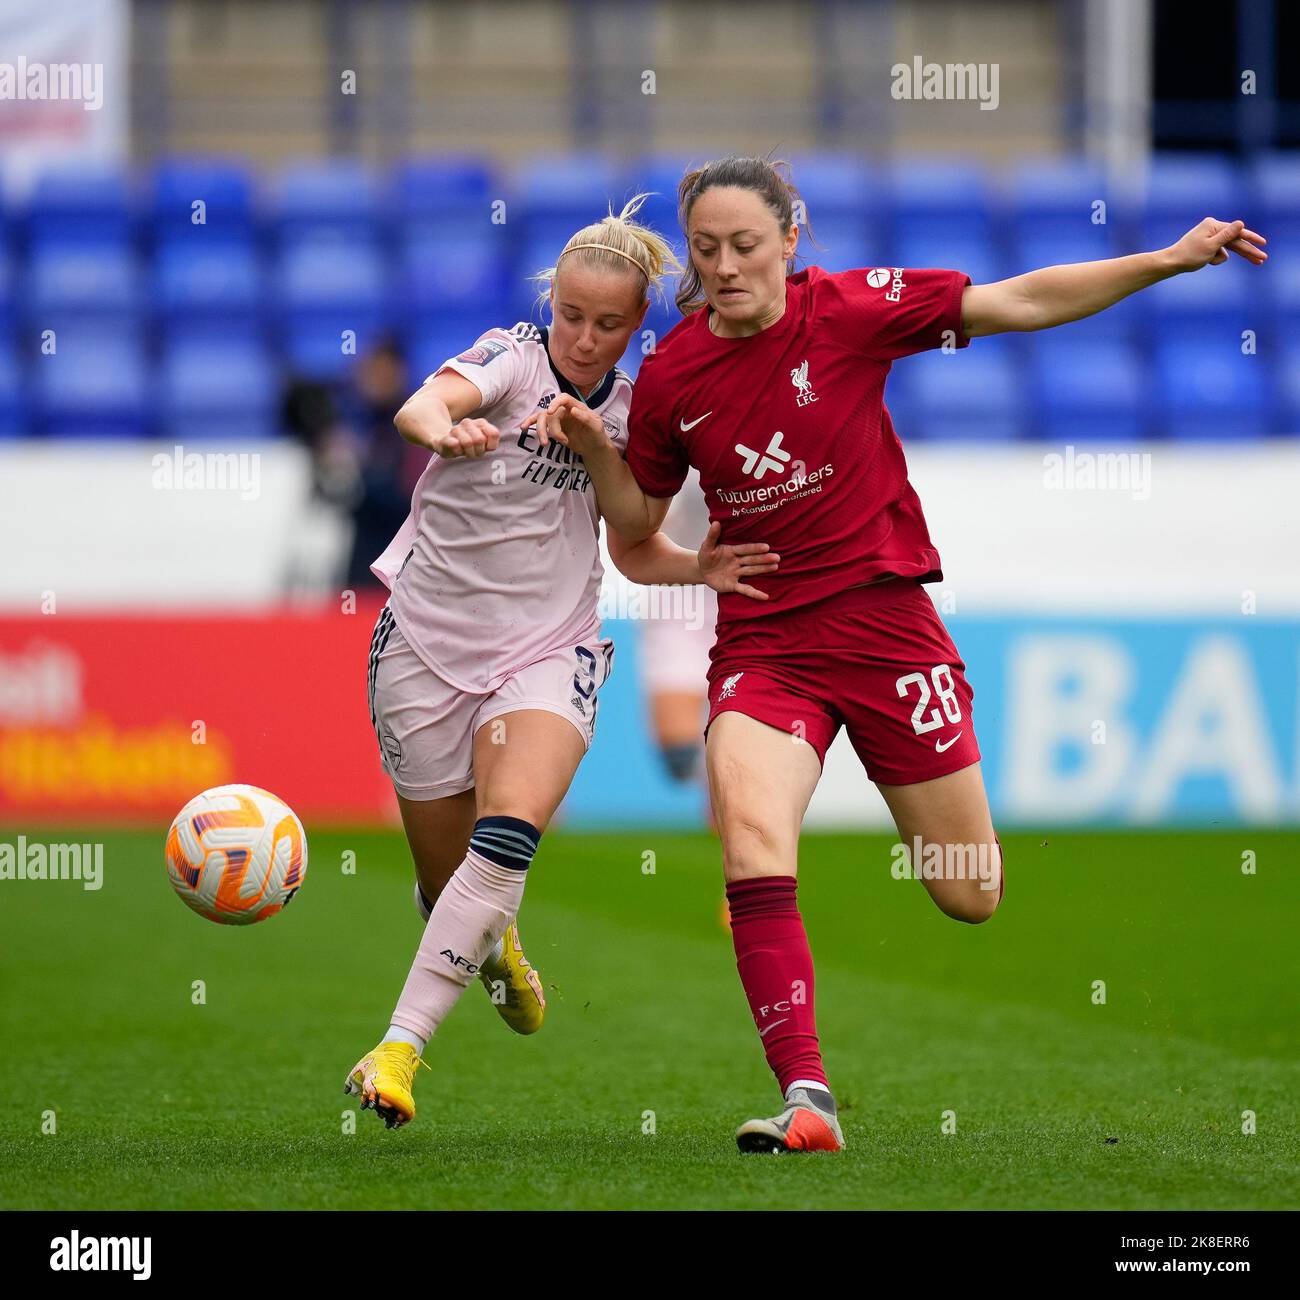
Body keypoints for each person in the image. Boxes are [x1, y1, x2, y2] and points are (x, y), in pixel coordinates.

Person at [527, 155, 1267, 1153]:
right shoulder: (671, 377)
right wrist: (614, 473)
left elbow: (1020, 300)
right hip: (768, 641)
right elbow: (631, 534)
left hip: (886, 630)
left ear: (789, 240)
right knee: (748, 836)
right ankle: (805, 1096)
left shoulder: (851, 308)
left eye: (746, 245)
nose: (727, 264)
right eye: (707, 250)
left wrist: (1168, 260)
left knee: (968, 891)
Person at [345, 195, 781, 1129]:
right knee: (445, 885)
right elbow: (426, 400)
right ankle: (492, 947)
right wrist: (437, 429)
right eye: (571, 316)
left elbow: (631, 534)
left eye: (609, 323)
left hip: (549, 649)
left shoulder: (638, 407)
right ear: (552, 306)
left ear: (638, 323)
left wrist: (690, 560)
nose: (584, 338)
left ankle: (399, 1049)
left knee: (508, 836)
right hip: (422, 644)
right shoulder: (509, 360)